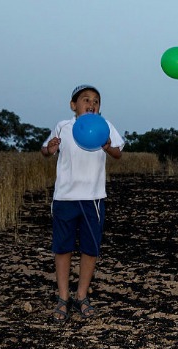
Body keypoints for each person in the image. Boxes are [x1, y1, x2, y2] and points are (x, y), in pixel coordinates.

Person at [41, 84, 124, 321]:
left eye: (96, 101)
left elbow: (118, 153)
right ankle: (62, 298)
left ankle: (81, 296)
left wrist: (108, 146)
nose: (92, 104)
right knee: (63, 248)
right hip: (65, 198)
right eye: (86, 99)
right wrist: (50, 148)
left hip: (93, 200)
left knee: (90, 249)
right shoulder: (63, 126)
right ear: (73, 105)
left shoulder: (105, 126)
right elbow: (45, 151)